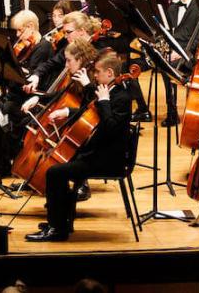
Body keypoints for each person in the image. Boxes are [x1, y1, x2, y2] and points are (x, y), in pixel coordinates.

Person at [25, 50, 136, 242]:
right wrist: (67, 111)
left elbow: (110, 129)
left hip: (108, 159)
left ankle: (57, 229)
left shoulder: (121, 98)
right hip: (95, 153)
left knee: (54, 172)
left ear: (110, 73)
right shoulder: (105, 91)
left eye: (98, 71)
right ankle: (60, 221)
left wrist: (104, 103)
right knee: (56, 165)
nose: (94, 75)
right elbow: (87, 113)